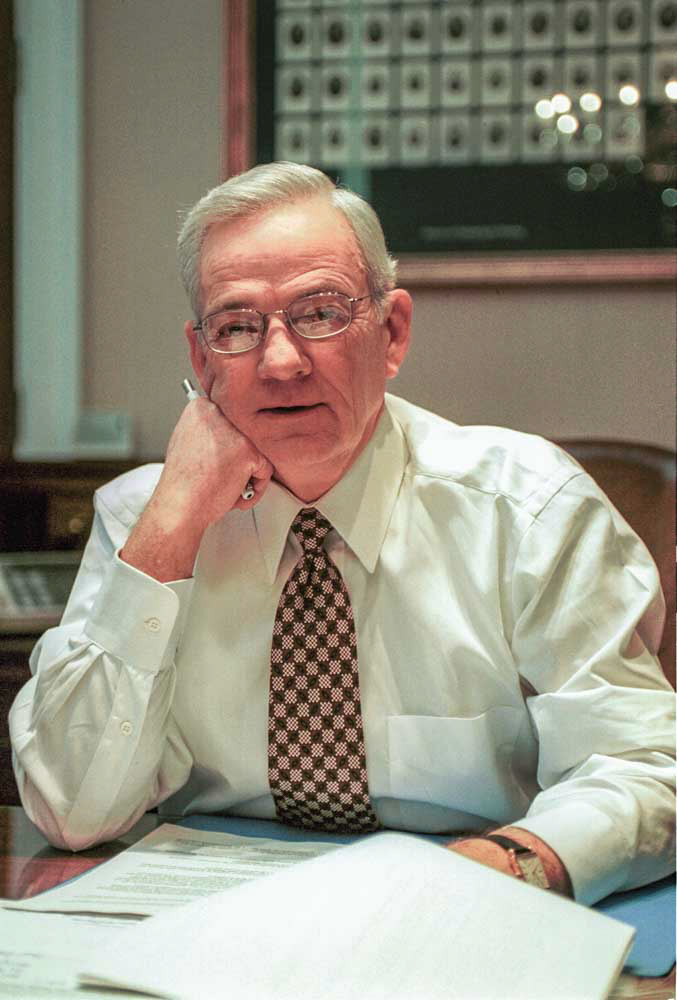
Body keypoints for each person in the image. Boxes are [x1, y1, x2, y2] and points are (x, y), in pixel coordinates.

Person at [10, 162, 675, 906]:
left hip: (470, 903)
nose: (282, 361)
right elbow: (70, 810)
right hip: (210, 917)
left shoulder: (525, 507)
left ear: (390, 333)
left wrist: (502, 869)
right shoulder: (144, 520)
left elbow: (640, 768)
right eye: (237, 327)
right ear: (202, 360)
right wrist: (168, 527)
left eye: (319, 313)